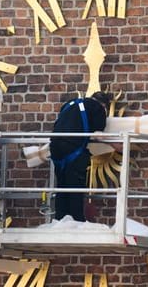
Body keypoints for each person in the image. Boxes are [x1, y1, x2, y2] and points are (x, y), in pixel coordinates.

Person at [50, 91, 111, 222]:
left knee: (62, 187)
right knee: (75, 188)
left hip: (56, 149)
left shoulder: (69, 104)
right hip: (73, 151)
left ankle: (60, 219)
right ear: (104, 105)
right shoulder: (97, 108)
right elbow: (99, 128)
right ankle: (77, 221)